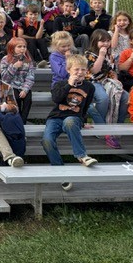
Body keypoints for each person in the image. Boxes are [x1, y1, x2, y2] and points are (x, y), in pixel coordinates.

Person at [41, 54, 98, 188]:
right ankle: (61, 172)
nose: (80, 72)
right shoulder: (60, 84)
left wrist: (83, 121)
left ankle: (81, 156)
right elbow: (56, 99)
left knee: (70, 121)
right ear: (68, 70)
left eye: (83, 70)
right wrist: (69, 84)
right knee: (47, 141)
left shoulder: (89, 87)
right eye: (76, 69)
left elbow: (85, 107)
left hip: (74, 118)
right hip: (56, 117)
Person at [84, 29, 129, 149]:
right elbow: (94, 71)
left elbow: (111, 70)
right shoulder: (89, 54)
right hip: (92, 81)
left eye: (108, 41)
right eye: (102, 41)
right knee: (103, 99)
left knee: (125, 96)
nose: (106, 44)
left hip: (106, 81)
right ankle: (100, 127)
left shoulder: (110, 54)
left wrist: (116, 78)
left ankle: (117, 126)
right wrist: (101, 55)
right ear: (95, 41)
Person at [0, 38, 36, 123]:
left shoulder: (28, 61)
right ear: (12, 48)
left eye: (24, 46)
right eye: (19, 46)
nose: (22, 49)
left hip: (23, 86)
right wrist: (14, 67)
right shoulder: (5, 59)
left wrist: (25, 89)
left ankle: (23, 122)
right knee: (16, 98)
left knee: (28, 100)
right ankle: (16, 119)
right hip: (10, 86)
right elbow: (4, 78)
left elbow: (30, 77)